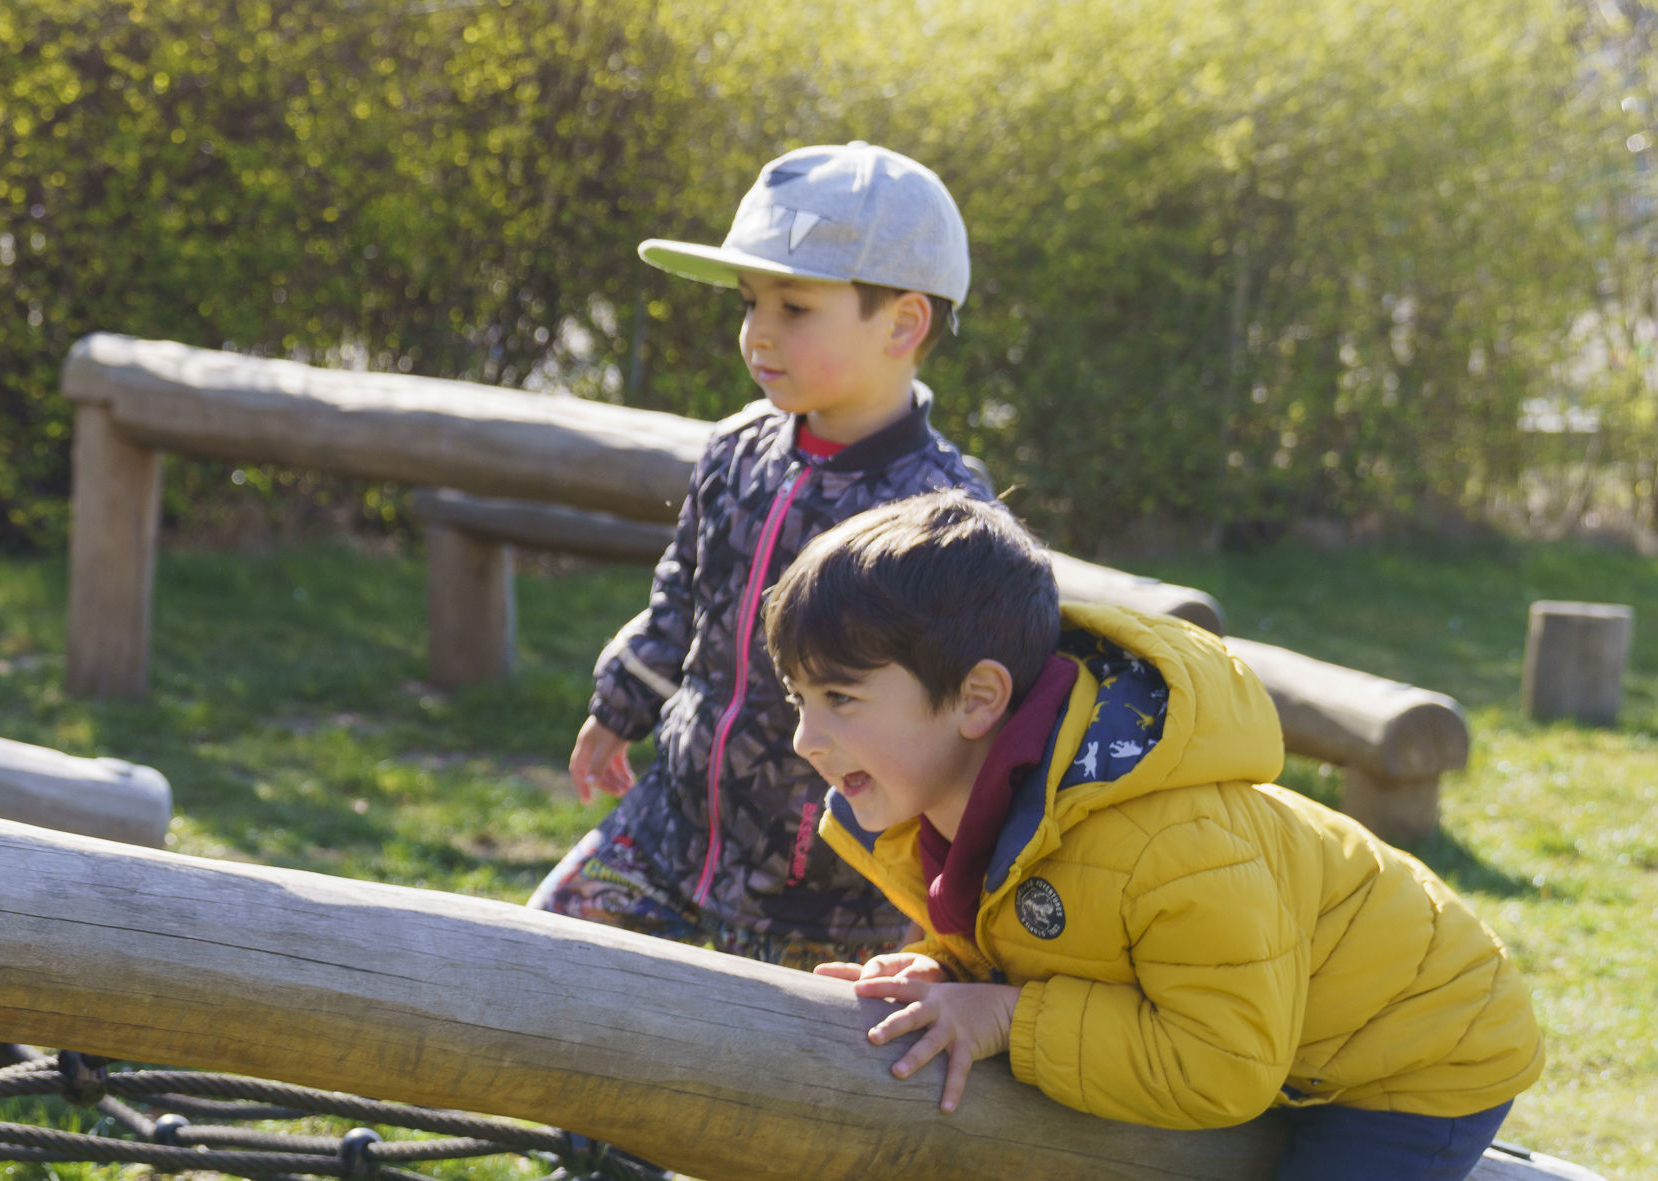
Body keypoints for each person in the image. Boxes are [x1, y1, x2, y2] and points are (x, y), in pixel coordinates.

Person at [770, 491, 1540, 1180]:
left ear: (977, 699)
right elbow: (1052, 934)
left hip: (1416, 1050)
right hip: (1268, 1032)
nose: (807, 736)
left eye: (840, 696)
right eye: (799, 697)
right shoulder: (939, 810)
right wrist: (947, 970)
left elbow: (1220, 1060)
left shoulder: (1167, 842)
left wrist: (1006, 1014)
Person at [529, 142, 995, 970]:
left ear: (903, 322)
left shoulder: (939, 512)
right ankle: (454, 1107)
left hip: (825, 881)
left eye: (795, 307)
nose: (758, 334)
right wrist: (620, 705)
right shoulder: (737, 449)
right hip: (671, 822)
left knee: (754, 1078)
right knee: (538, 957)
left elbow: (962, 714)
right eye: (749, 303)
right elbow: (684, 595)